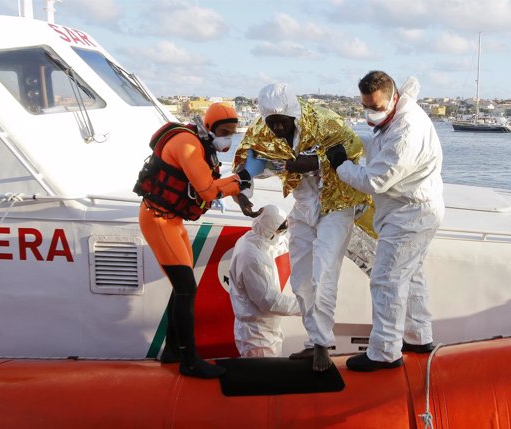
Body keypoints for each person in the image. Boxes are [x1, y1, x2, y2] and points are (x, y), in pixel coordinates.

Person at [232, 83, 369, 372]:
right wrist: (242, 195)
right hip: (304, 205)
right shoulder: (261, 130)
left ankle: (321, 345)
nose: (278, 128)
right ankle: (312, 342)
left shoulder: (324, 120)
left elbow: (354, 150)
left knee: (323, 274)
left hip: (336, 203)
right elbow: (244, 167)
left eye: (283, 122)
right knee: (301, 279)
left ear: (294, 115)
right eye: (273, 123)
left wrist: (310, 163)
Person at [326, 71, 444, 372]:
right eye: (366, 106)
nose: (371, 112)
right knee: (411, 275)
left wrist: (342, 165)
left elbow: (375, 180)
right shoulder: (395, 117)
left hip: (409, 213)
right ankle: (418, 336)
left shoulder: (407, 129)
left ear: (393, 98)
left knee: (386, 280)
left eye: (376, 107)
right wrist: (354, 143)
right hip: (414, 209)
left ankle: (384, 352)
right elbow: (380, 145)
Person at [134, 102, 252, 378]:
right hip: (158, 219)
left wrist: (238, 183)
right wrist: (241, 180)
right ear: (208, 128)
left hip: (171, 220)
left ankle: (174, 351)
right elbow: (208, 191)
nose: (228, 138)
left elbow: (210, 186)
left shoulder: (198, 143)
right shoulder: (187, 144)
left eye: (232, 133)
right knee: (186, 288)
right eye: (224, 132)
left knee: (184, 287)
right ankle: (189, 360)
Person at [229, 204, 300, 357]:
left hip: (265, 329)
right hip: (257, 336)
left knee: (269, 376)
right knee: (263, 378)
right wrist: (306, 305)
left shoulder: (253, 238)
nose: (283, 233)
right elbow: (270, 302)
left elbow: (277, 245)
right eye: (282, 230)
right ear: (271, 231)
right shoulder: (252, 258)